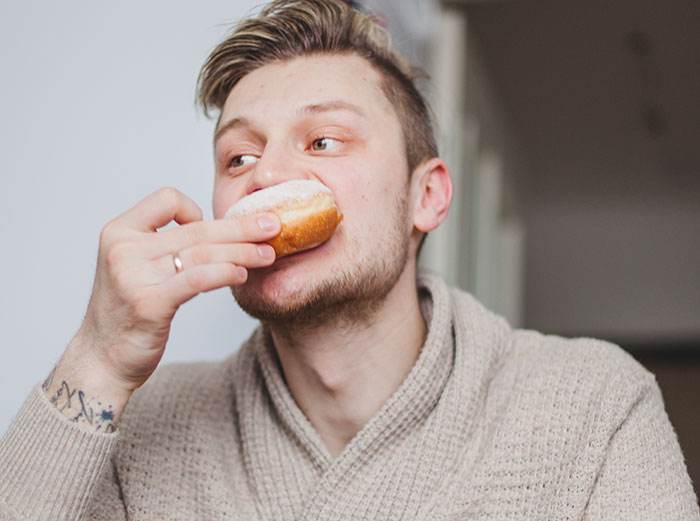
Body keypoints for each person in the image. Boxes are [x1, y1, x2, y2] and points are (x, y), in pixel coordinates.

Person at [0, 0, 698, 519]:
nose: (267, 175)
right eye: (238, 156)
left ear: (426, 197)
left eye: (324, 141)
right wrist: (98, 356)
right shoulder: (143, 422)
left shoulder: (592, 406)